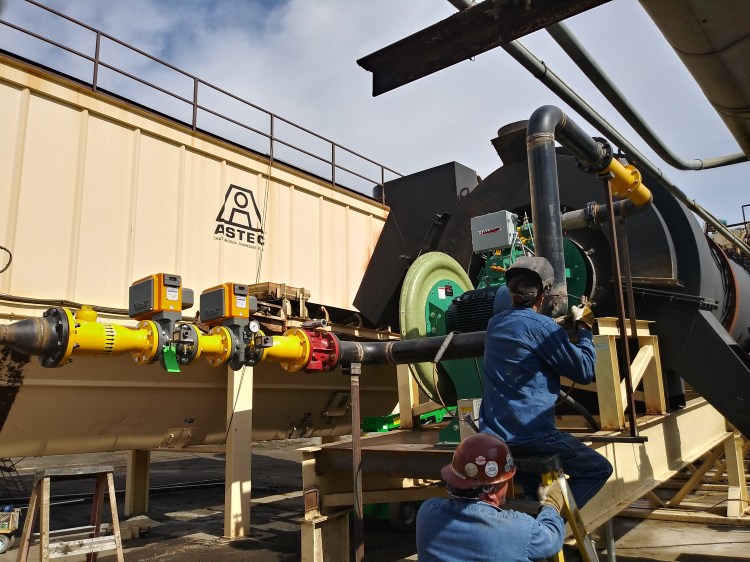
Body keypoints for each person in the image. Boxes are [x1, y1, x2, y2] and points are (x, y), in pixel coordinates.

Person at [479, 256, 612, 508]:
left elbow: (524, 335)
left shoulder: (494, 325)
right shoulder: (542, 328)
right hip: (534, 438)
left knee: (533, 493)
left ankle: (536, 515)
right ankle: (550, 518)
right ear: (543, 296)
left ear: (511, 294)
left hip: (496, 438)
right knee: (599, 469)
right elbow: (584, 371)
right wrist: (584, 327)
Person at [416, 432, 565, 562]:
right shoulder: (520, 530)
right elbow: (552, 539)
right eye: (506, 482)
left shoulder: (427, 513)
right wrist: (551, 504)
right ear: (491, 490)